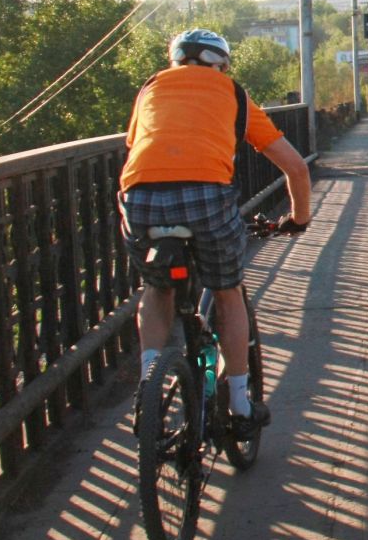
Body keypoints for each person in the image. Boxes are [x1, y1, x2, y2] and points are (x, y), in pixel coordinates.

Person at [119, 29, 312, 435]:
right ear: (222, 65)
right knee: (227, 293)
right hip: (206, 197)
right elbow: (295, 166)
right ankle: (240, 406)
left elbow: (133, 142)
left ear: (174, 62)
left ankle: (148, 388)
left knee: (156, 290)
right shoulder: (232, 93)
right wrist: (299, 219)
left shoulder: (150, 88)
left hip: (140, 195)